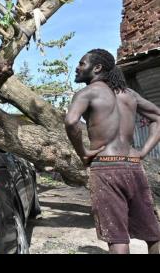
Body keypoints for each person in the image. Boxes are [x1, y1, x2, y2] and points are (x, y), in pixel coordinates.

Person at [64, 48, 160, 254]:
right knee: (152, 233)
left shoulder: (86, 93)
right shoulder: (129, 94)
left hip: (106, 167)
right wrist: (143, 151)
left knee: (117, 236)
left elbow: (71, 122)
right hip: (134, 167)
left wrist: (82, 152)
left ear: (97, 67)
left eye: (81, 63)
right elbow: (158, 117)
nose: (77, 68)